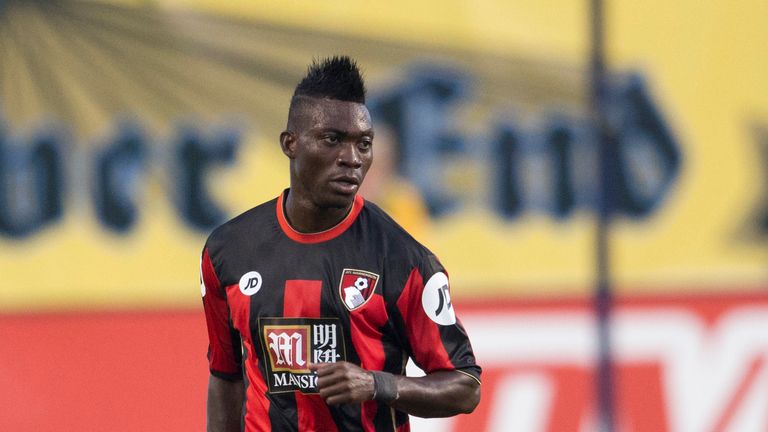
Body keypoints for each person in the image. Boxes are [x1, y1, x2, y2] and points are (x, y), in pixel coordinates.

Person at [200, 56, 481, 432]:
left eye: (363, 144)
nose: (351, 159)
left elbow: (465, 386)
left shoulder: (405, 261)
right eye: (332, 140)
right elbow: (226, 375)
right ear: (291, 144)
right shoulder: (228, 251)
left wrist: (376, 384)